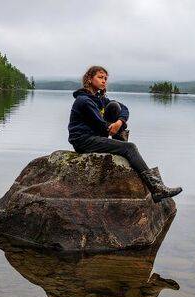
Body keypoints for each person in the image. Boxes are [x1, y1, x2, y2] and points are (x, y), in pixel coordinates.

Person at [68, 65, 183, 200]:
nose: (104, 81)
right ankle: (156, 189)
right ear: (89, 79)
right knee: (130, 147)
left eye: (105, 78)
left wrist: (120, 122)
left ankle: (122, 148)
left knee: (114, 106)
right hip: (83, 140)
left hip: (95, 135)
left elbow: (124, 108)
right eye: (100, 77)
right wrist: (116, 127)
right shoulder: (84, 100)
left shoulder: (100, 99)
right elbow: (101, 126)